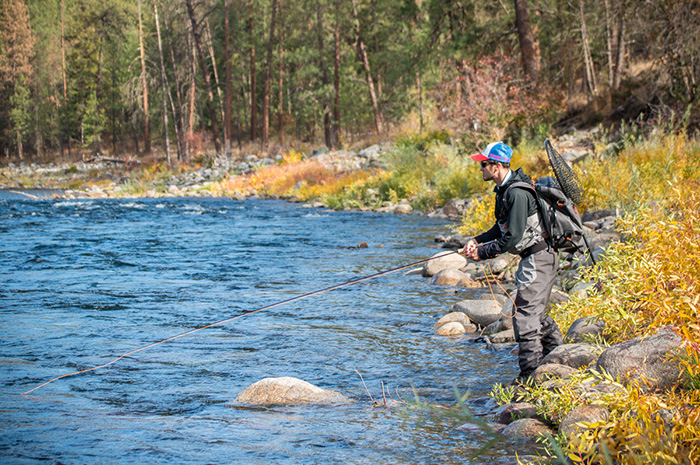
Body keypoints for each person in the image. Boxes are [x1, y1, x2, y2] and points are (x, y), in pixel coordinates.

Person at [461, 141, 563, 382]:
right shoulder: (506, 190)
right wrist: (477, 240)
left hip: (539, 258)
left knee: (525, 316)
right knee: (533, 312)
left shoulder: (516, 193)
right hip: (536, 258)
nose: (480, 169)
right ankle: (557, 356)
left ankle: (529, 378)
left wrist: (483, 253)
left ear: (496, 166)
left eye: (483, 164)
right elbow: (501, 228)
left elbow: (513, 237)